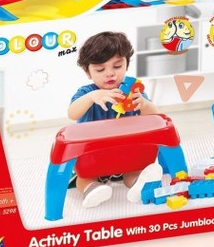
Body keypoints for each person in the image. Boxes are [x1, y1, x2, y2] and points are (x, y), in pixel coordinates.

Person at [68, 31, 162, 208]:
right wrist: (92, 97)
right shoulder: (87, 93)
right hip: (93, 157)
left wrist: (143, 104)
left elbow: (157, 117)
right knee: (84, 177)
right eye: (100, 70)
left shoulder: (132, 91)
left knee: (134, 172)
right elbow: (72, 113)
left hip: (125, 154)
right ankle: (93, 189)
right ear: (88, 72)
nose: (110, 74)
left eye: (117, 66)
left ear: (126, 65)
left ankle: (138, 185)